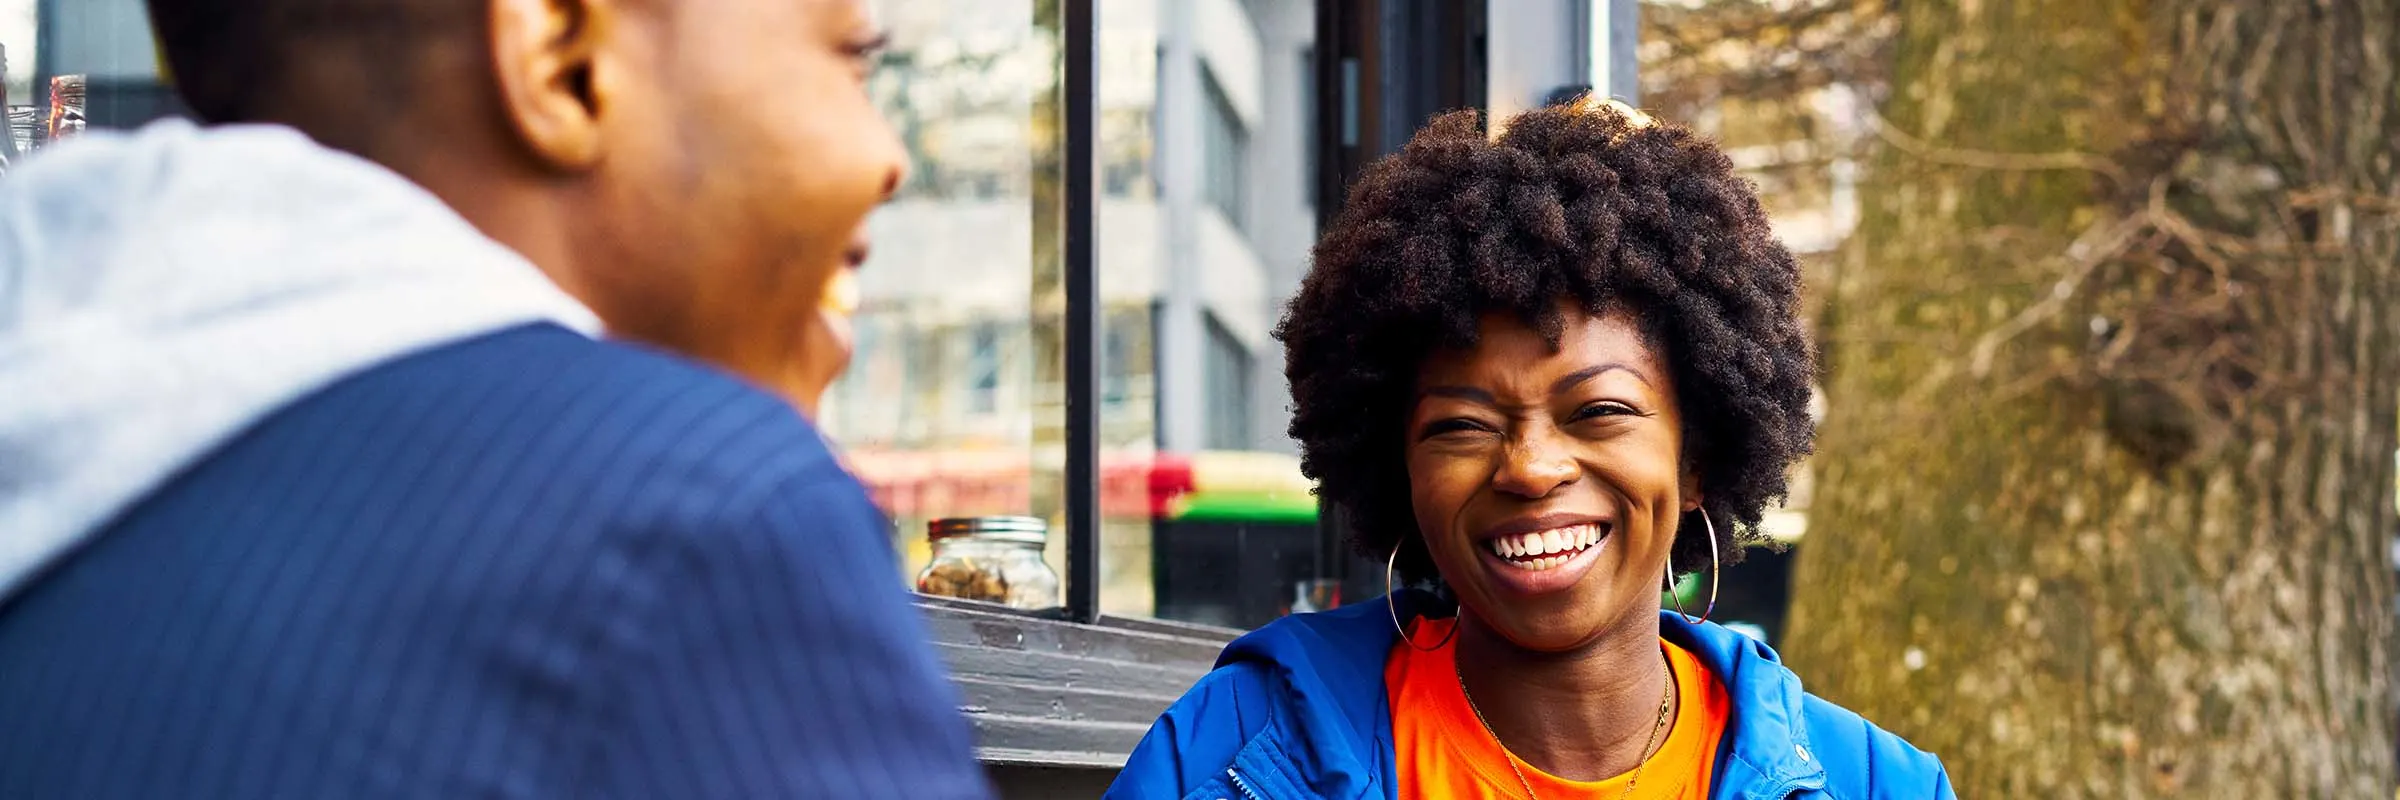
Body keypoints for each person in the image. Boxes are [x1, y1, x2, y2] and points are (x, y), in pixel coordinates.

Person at [0, 0, 992, 797]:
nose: (887, 154)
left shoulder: (71, 423)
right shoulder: (698, 529)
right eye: (853, 57)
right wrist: (749, 458)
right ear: (561, 56)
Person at [1107, 97, 1954, 799]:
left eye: (1601, 411)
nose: (1532, 467)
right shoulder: (1231, 754)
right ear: (1400, 465)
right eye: (1463, 426)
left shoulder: (1876, 783)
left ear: (1696, 458)